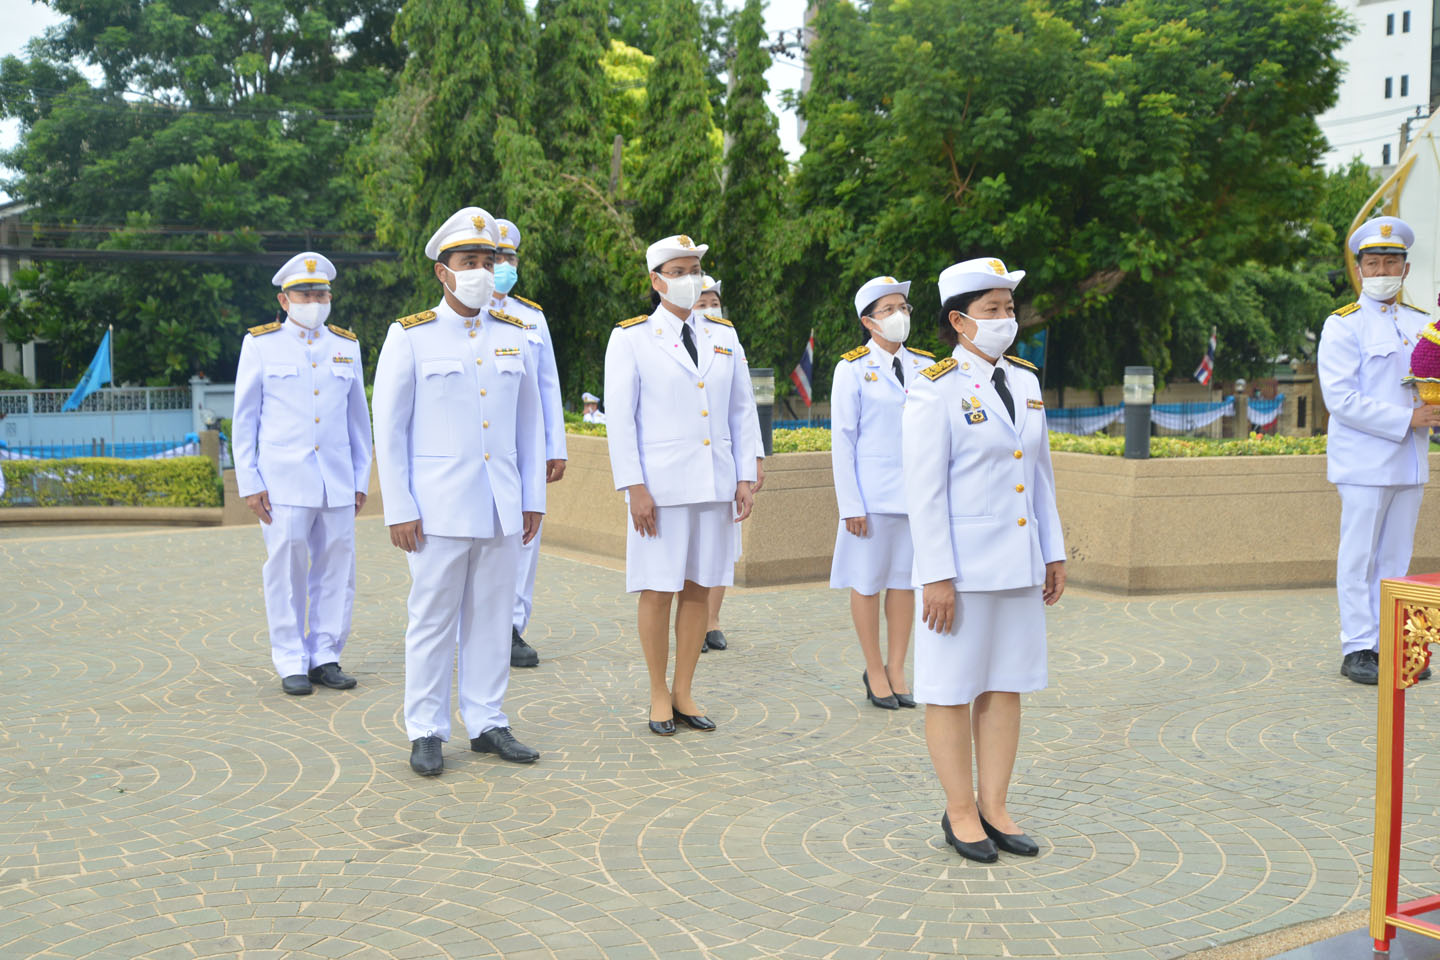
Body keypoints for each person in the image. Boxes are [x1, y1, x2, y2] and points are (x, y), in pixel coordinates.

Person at [373, 206, 546, 777]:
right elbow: (389, 430)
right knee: (432, 620)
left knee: (493, 618)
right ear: (443, 272)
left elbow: (529, 425)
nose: (482, 271)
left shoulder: (515, 334)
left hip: (500, 505)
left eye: (488, 261)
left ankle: (487, 720)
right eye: (469, 261)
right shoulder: (410, 336)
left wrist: (532, 498)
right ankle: (425, 728)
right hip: (437, 509)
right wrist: (399, 506)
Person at [903, 256, 1066, 863]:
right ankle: (960, 811)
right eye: (992, 309)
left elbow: (1039, 475)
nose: (1006, 319)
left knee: (1006, 684)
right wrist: (936, 577)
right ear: (959, 320)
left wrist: (1052, 552)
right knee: (951, 690)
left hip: (1018, 564)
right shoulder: (934, 387)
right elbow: (925, 491)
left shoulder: (1024, 381)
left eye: (1009, 307)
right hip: (962, 572)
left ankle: (995, 806)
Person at [604, 235, 760, 736]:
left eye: (695, 270)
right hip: (661, 490)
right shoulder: (631, 338)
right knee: (658, 589)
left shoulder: (723, 334)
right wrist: (634, 487)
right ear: (656, 281)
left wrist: (745, 474)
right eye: (679, 271)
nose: (690, 279)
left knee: (699, 587)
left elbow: (742, 408)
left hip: (714, 484)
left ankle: (684, 690)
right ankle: (657, 692)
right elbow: (620, 420)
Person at [232, 252, 372, 697]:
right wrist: (250, 481)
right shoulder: (261, 344)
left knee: (337, 569)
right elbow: (244, 419)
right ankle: (291, 658)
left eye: (321, 295)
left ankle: (325, 655)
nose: (314, 302)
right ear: (284, 300)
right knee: (286, 570)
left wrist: (360, 479)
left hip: (336, 480)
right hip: (283, 482)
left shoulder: (346, 346)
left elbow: (358, 421)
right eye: (304, 295)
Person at [1319, 216, 1437, 685]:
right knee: (1359, 559)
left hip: (1410, 461)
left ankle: (1393, 644)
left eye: (1391, 262)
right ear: (1360, 270)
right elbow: (1341, 399)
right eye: (1374, 263)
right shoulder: (1343, 325)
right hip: (1364, 462)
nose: (1383, 270)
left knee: (1396, 560)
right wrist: (1407, 420)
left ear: (1405, 269)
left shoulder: (1422, 324)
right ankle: (1357, 647)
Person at [830, 276, 933, 709]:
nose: (899, 316)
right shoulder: (852, 368)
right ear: (868, 321)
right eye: (889, 309)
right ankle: (874, 668)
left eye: (903, 308)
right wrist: (850, 503)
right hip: (871, 499)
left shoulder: (927, 366)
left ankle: (897, 667)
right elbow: (843, 440)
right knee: (868, 582)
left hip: (917, 496)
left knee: (905, 584)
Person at [490, 218, 566, 670]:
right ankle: (476, 624)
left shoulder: (532, 317)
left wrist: (556, 446)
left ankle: (511, 628)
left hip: (526, 449)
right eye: (496, 257)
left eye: (510, 258)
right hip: (484, 447)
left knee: (524, 539)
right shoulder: (462, 317)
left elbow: (548, 385)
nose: (504, 265)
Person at [692, 275, 765, 653]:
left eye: (714, 301)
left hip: (725, 459)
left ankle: (712, 620)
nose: (709, 307)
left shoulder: (728, 338)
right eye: (702, 302)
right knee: (692, 551)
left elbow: (744, 404)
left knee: (721, 546)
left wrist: (753, 460)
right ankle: (690, 623)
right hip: (689, 462)